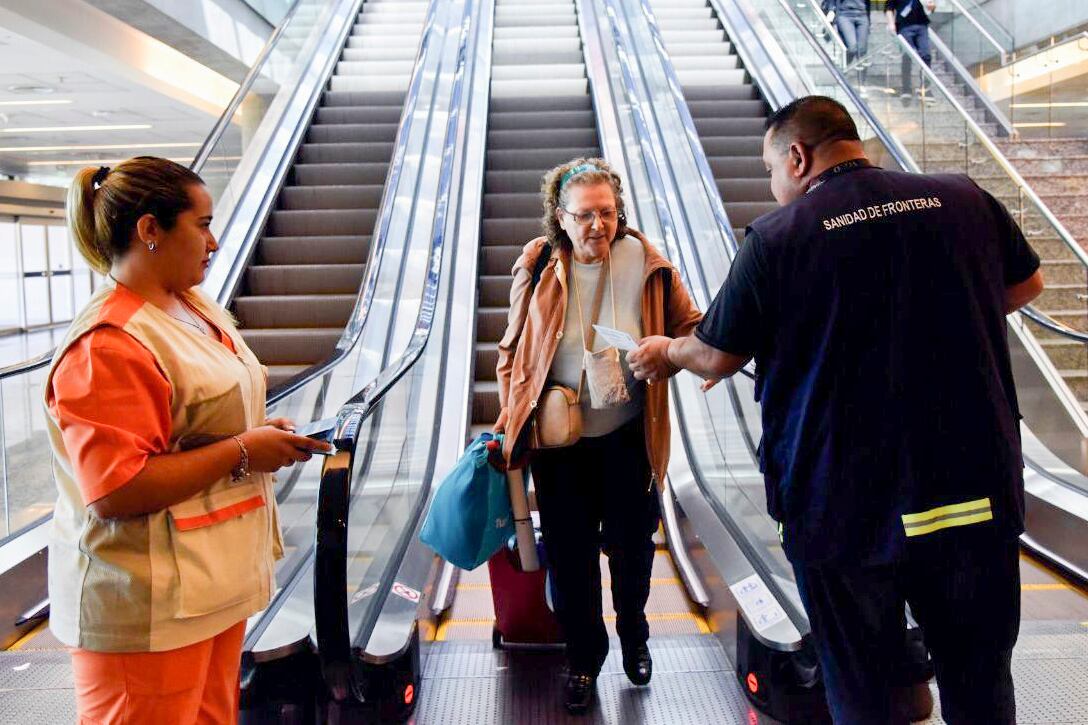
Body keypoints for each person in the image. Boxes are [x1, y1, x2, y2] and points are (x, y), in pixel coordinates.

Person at [628, 97, 1043, 724]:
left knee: (862, 690)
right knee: (981, 684)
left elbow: (714, 355)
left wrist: (665, 350)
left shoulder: (778, 237)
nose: (774, 183)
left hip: (845, 507)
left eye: (772, 168)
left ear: (797, 156)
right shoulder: (961, 198)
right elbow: (1025, 285)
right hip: (972, 490)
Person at [46, 157, 331, 724]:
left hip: (207, 584)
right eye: (201, 225)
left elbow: (193, 417)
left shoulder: (190, 307)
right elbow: (116, 489)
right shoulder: (110, 343)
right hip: (146, 607)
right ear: (150, 230)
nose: (215, 241)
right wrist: (243, 451)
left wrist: (254, 433)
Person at [492, 158, 701, 715]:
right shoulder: (537, 264)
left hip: (628, 438)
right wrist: (507, 421)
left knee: (633, 551)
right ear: (560, 217)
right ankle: (584, 659)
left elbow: (691, 327)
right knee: (571, 559)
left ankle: (634, 631)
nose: (597, 226)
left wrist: (673, 357)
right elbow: (512, 351)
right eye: (584, 216)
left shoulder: (647, 261)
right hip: (560, 449)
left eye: (606, 213)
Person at [886, 0, 937, 100]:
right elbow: (889, 8)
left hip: (922, 25)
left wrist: (932, 7)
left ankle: (925, 88)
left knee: (926, 55)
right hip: (904, 26)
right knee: (907, 56)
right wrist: (891, 23)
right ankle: (906, 88)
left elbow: (931, 6)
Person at [823, 0, 872, 82]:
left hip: (862, 14)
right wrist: (831, 10)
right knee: (852, 47)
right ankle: (843, 69)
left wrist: (869, 20)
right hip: (845, 14)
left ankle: (862, 83)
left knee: (862, 51)